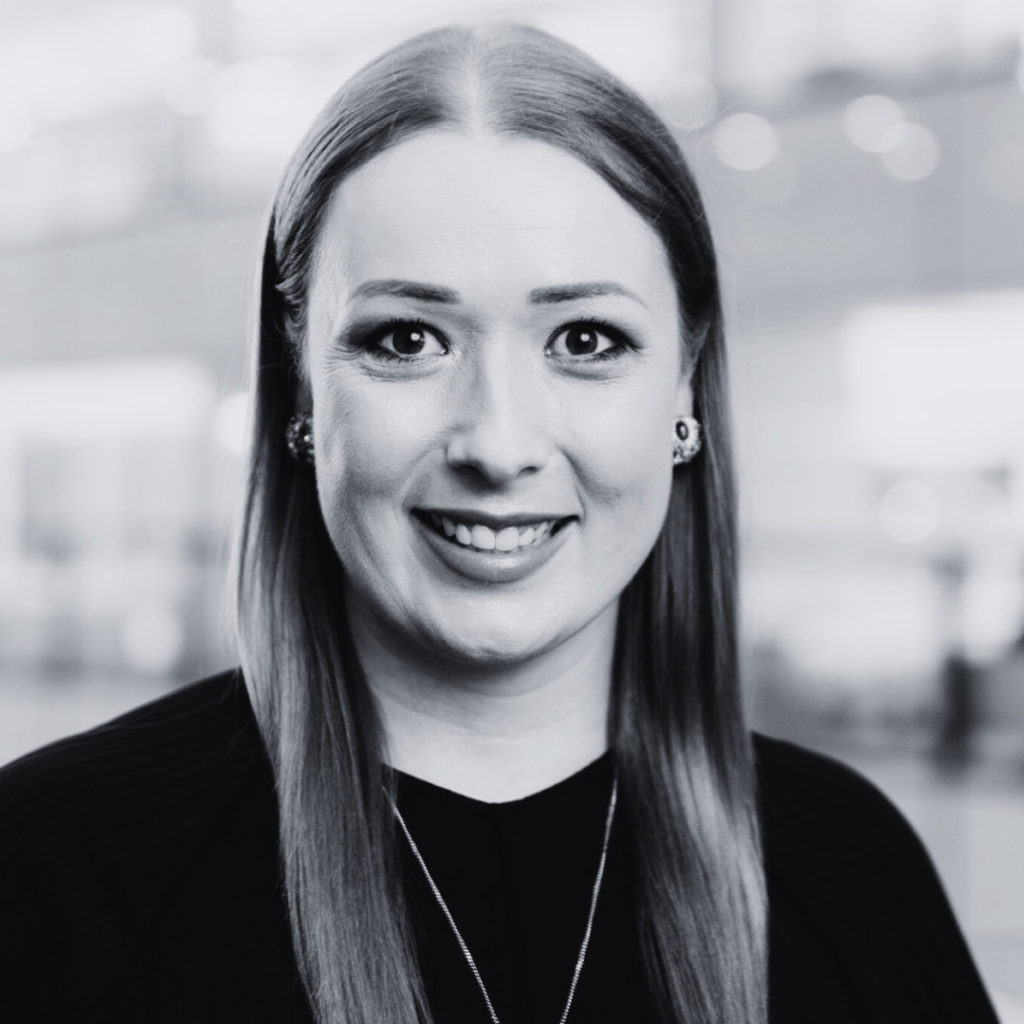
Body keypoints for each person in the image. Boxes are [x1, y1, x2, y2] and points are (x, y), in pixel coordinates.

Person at [0, 23, 999, 1024]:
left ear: (684, 389)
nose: (498, 443)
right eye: (407, 339)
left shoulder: (851, 875)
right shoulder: (50, 874)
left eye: (585, 339)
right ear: (301, 390)